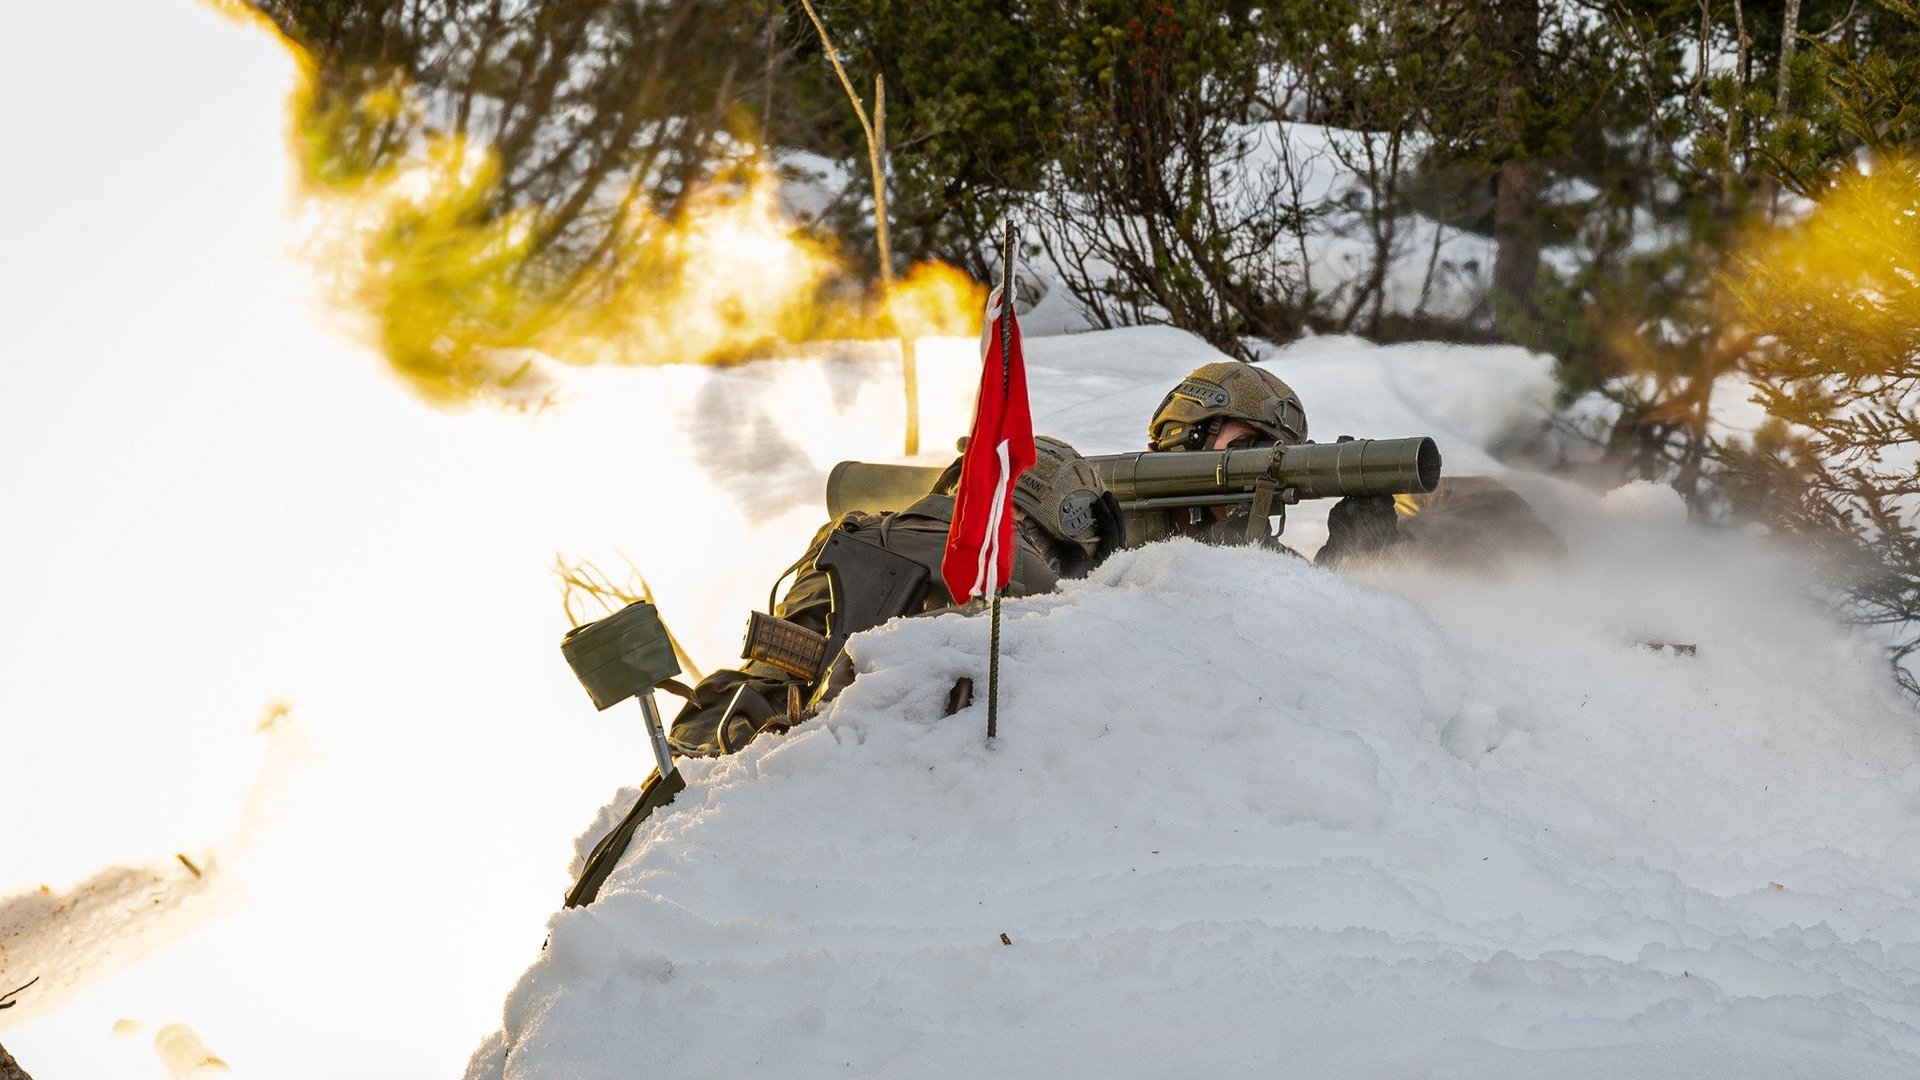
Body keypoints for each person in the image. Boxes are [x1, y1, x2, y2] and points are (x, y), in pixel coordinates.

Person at [667, 435, 1123, 757]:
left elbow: (774, 665)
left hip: (729, 746)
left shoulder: (853, 533)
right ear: (1054, 538)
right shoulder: (1025, 578)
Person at [1145, 360, 1563, 569]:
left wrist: (1361, 554)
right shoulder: (1110, 528)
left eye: (1277, 453)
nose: (1263, 468)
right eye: (1251, 445)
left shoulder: (1262, 555)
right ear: (1188, 435)